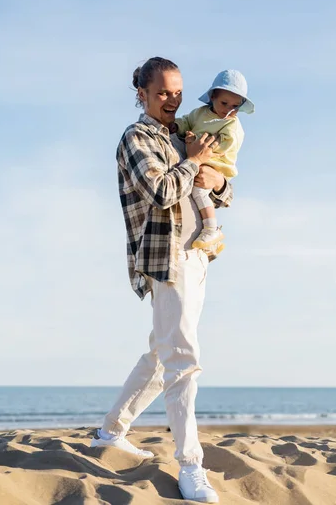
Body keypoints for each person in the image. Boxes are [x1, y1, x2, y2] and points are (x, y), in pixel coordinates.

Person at [90, 57, 233, 503]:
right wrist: (192, 164)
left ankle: (111, 432)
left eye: (177, 91)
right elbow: (161, 191)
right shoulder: (136, 137)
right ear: (143, 95)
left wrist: (216, 181)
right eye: (163, 92)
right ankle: (191, 465)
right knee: (183, 356)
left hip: (198, 254)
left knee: (162, 349)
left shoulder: (181, 134)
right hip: (166, 258)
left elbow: (216, 187)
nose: (173, 99)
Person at [170, 69, 255, 251]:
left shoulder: (232, 125)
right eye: (224, 103)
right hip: (199, 157)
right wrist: (177, 126)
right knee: (194, 194)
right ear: (213, 96)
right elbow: (186, 121)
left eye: (235, 106)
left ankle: (211, 228)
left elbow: (224, 145)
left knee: (199, 191)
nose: (228, 110)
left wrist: (196, 144)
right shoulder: (200, 113)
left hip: (217, 164)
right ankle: (210, 246)